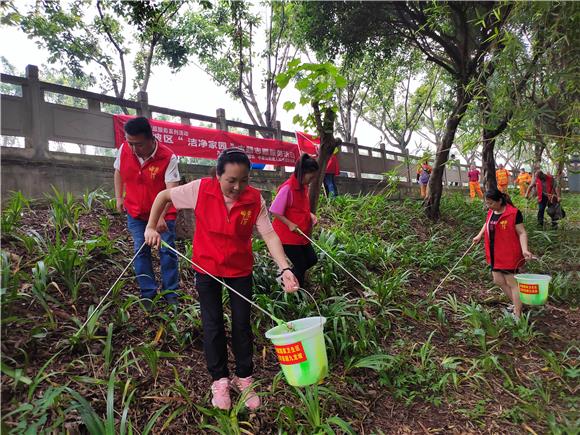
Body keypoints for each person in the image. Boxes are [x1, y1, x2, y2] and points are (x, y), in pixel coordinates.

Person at [144, 148, 299, 411]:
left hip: (239, 270)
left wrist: (284, 268)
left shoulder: (254, 199)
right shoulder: (200, 189)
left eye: (244, 180)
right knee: (212, 323)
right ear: (218, 176)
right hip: (206, 268)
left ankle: (244, 377)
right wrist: (150, 225)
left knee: (241, 324)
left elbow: (270, 235)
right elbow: (164, 195)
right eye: (231, 181)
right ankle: (219, 380)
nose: (237, 187)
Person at [113, 116, 180, 310]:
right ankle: (148, 295)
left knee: (167, 251)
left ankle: (171, 295)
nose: (134, 149)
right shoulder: (125, 149)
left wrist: (159, 217)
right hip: (135, 212)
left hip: (163, 215)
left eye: (139, 144)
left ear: (151, 139)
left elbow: (171, 190)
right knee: (140, 251)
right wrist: (119, 197)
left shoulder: (168, 157)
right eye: (130, 143)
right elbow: (118, 171)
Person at [473, 189, 533, 319]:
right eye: (487, 203)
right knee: (498, 280)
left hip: (509, 254)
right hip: (494, 253)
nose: (488, 206)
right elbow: (487, 223)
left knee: (512, 283)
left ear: (500, 200)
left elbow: (522, 232)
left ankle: (518, 313)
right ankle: (518, 304)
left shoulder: (513, 213)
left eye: (491, 203)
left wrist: (525, 249)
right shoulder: (491, 211)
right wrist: (479, 235)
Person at [270, 154, 319, 288]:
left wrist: (310, 215)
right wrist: (289, 223)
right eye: (311, 176)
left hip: (300, 234)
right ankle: (296, 292)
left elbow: (299, 207)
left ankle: (284, 279)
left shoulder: (303, 187)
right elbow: (274, 210)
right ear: (303, 173)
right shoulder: (288, 188)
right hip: (287, 235)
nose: (312, 180)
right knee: (301, 265)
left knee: (312, 259)